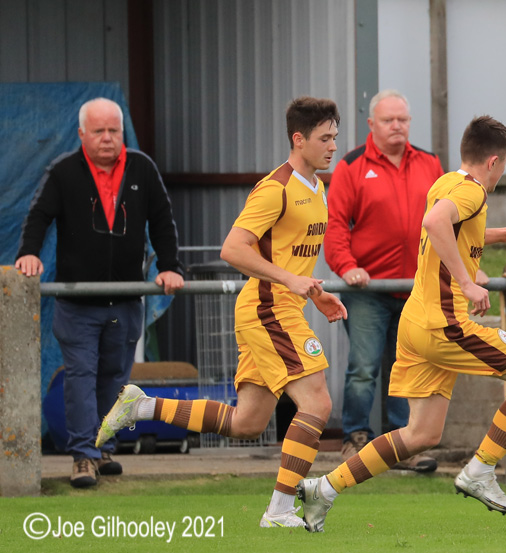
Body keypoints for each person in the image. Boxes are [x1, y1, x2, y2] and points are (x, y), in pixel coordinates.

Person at [96, 97, 348, 528]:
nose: (332, 147)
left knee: (247, 422)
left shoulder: (317, 188)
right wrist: (289, 282)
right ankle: (280, 510)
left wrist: (312, 293)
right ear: (298, 139)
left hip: (278, 307)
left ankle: (142, 407)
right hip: (268, 309)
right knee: (318, 403)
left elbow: (291, 258)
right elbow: (232, 249)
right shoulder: (276, 188)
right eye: (325, 139)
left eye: (335, 138)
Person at [295, 115, 506, 533]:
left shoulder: (447, 181)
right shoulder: (471, 189)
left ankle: (322, 489)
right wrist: (469, 283)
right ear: (493, 162)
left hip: (417, 324)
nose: (502, 171)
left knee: (420, 434)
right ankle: (480, 471)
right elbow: (435, 225)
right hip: (446, 324)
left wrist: (504, 232)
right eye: (505, 164)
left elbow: (451, 227)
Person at [15, 97, 184, 488]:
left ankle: (103, 447)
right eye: (99, 131)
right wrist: (28, 255)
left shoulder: (142, 167)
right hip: (78, 302)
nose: (108, 139)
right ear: (81, 134)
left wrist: (171, 266)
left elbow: (162, 221)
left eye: (114, 131)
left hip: (125, 301)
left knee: (115, 379)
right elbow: (38, 216)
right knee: (80, 376)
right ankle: (83, 457)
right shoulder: (62, 172)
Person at [324, 90, 443, 472]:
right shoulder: (352, 166)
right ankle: (355, 439)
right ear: (371, 124)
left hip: (417, 290)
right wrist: (347, 267)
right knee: (363, 367)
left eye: (403, 120)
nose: (397, 126)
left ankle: (405, 445)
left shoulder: (429, 163)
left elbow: (450, 222)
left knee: (408, 369)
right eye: (389, 120)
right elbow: (336, 225)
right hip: (367, 291)